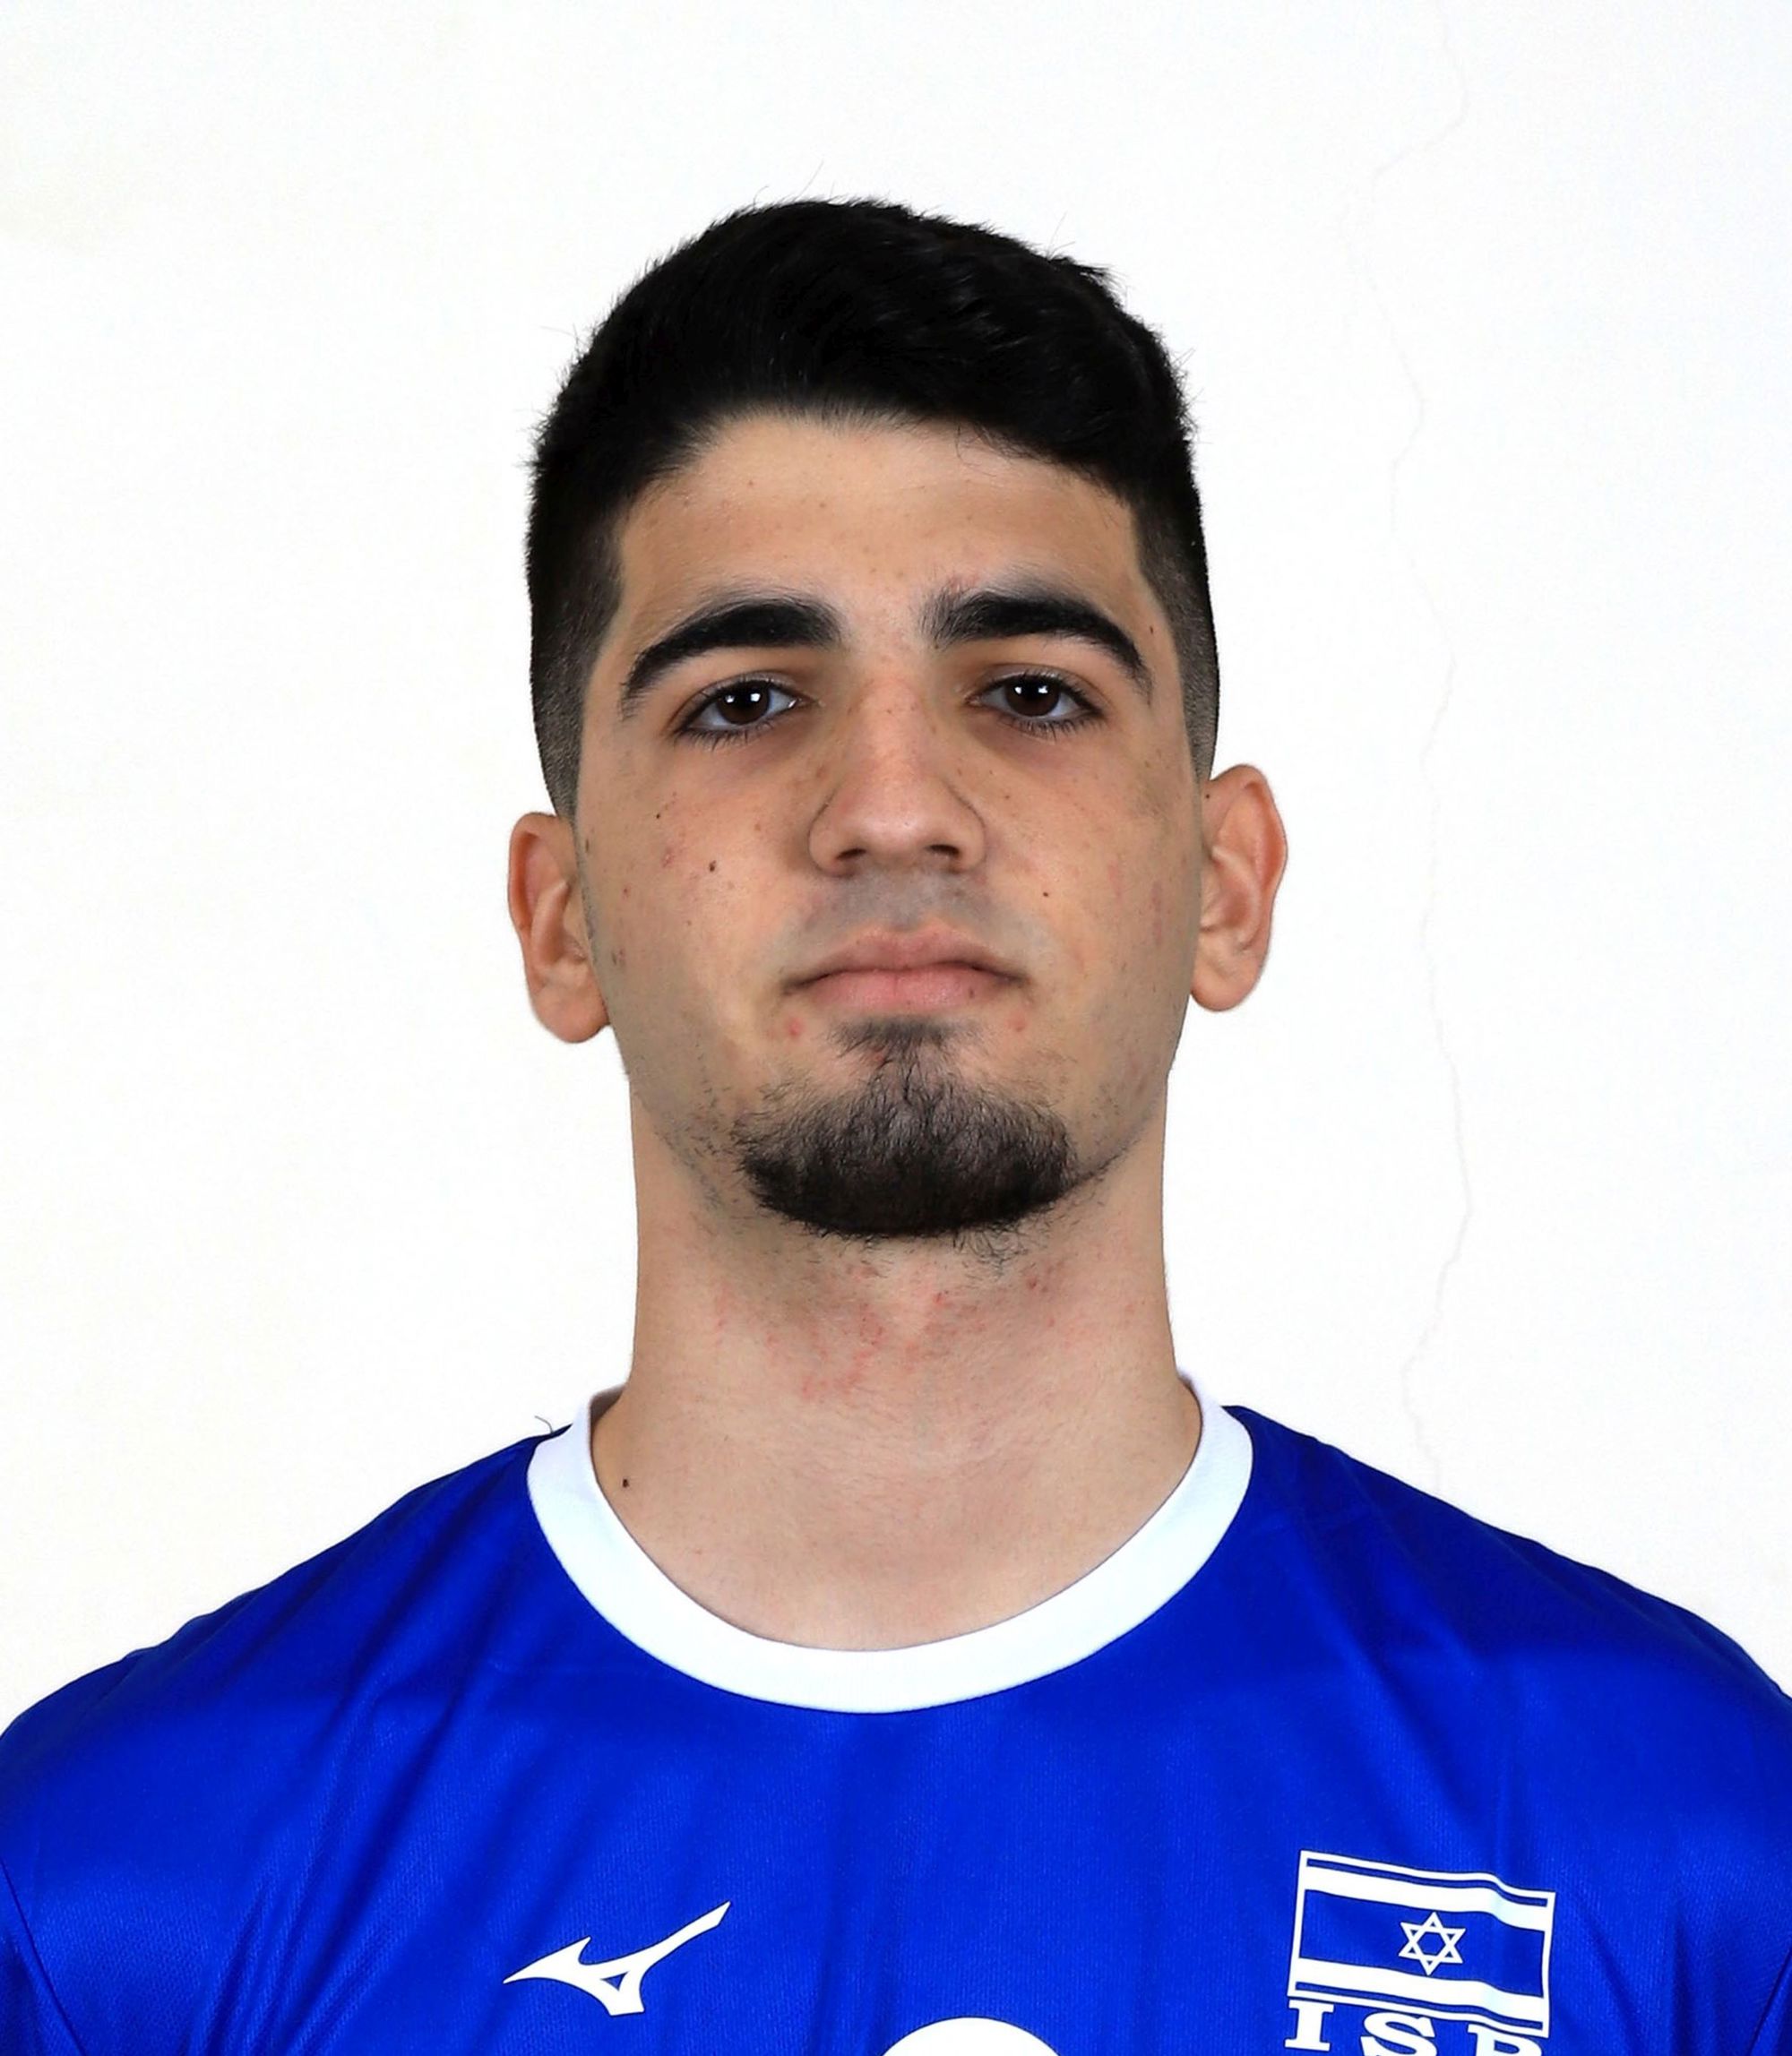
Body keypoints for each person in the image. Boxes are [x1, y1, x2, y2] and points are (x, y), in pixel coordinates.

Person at [2, 196, 1788, 2056]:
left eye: (1028, 692)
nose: (891, 803)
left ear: (1224, 883)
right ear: (561, 915)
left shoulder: (1684, 1848)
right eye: (747, 699)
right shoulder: (121, 1900)